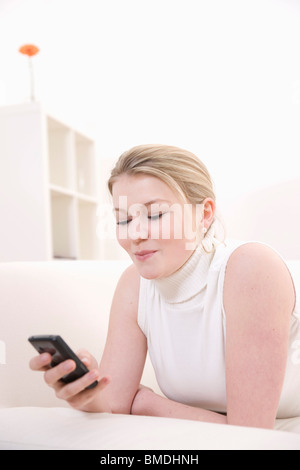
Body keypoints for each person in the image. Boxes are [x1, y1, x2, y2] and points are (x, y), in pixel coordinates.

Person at [30, 144, 299, 429]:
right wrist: (86, 393)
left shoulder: (250, 267)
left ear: (204, 214)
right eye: (123, 219)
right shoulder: (134, 285)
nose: (135, 234)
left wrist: (150, 405)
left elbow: (251, 434)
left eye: (155, 215)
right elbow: (115, 405)